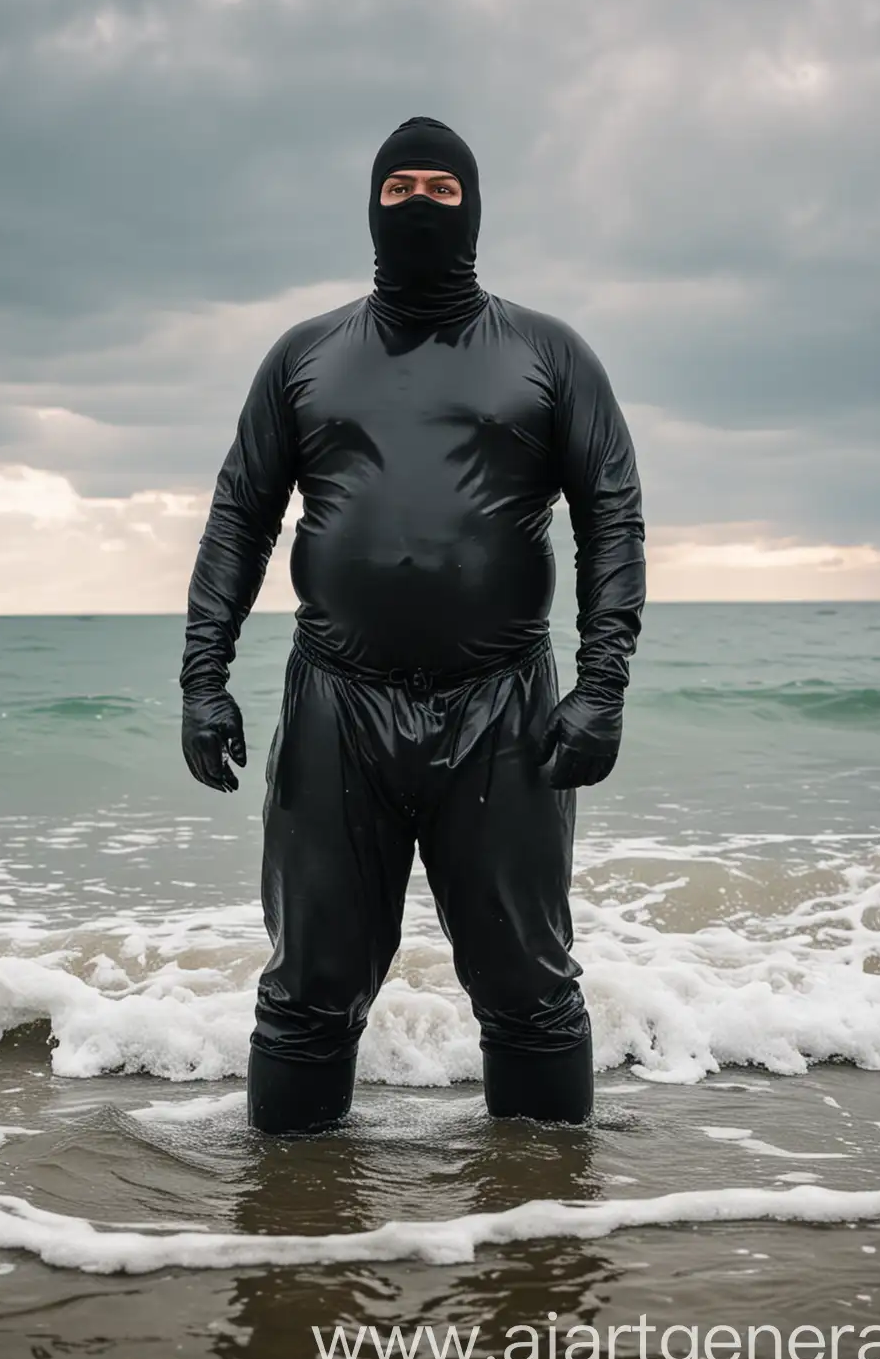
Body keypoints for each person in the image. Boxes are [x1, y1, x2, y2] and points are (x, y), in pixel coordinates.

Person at [180, 116, 647, 1134]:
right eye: (400, 190)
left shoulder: (549, 353)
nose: (422, 205)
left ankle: (547, 1246)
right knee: (307, 993)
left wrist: (602, 688)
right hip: (336, 708)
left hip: (505, 710)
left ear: (475, 207)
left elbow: (612, 511)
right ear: (370, 209)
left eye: (443, 188)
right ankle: (289, 1255)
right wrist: (201, 678)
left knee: (528, 991)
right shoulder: (304, 357)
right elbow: (240, 515)